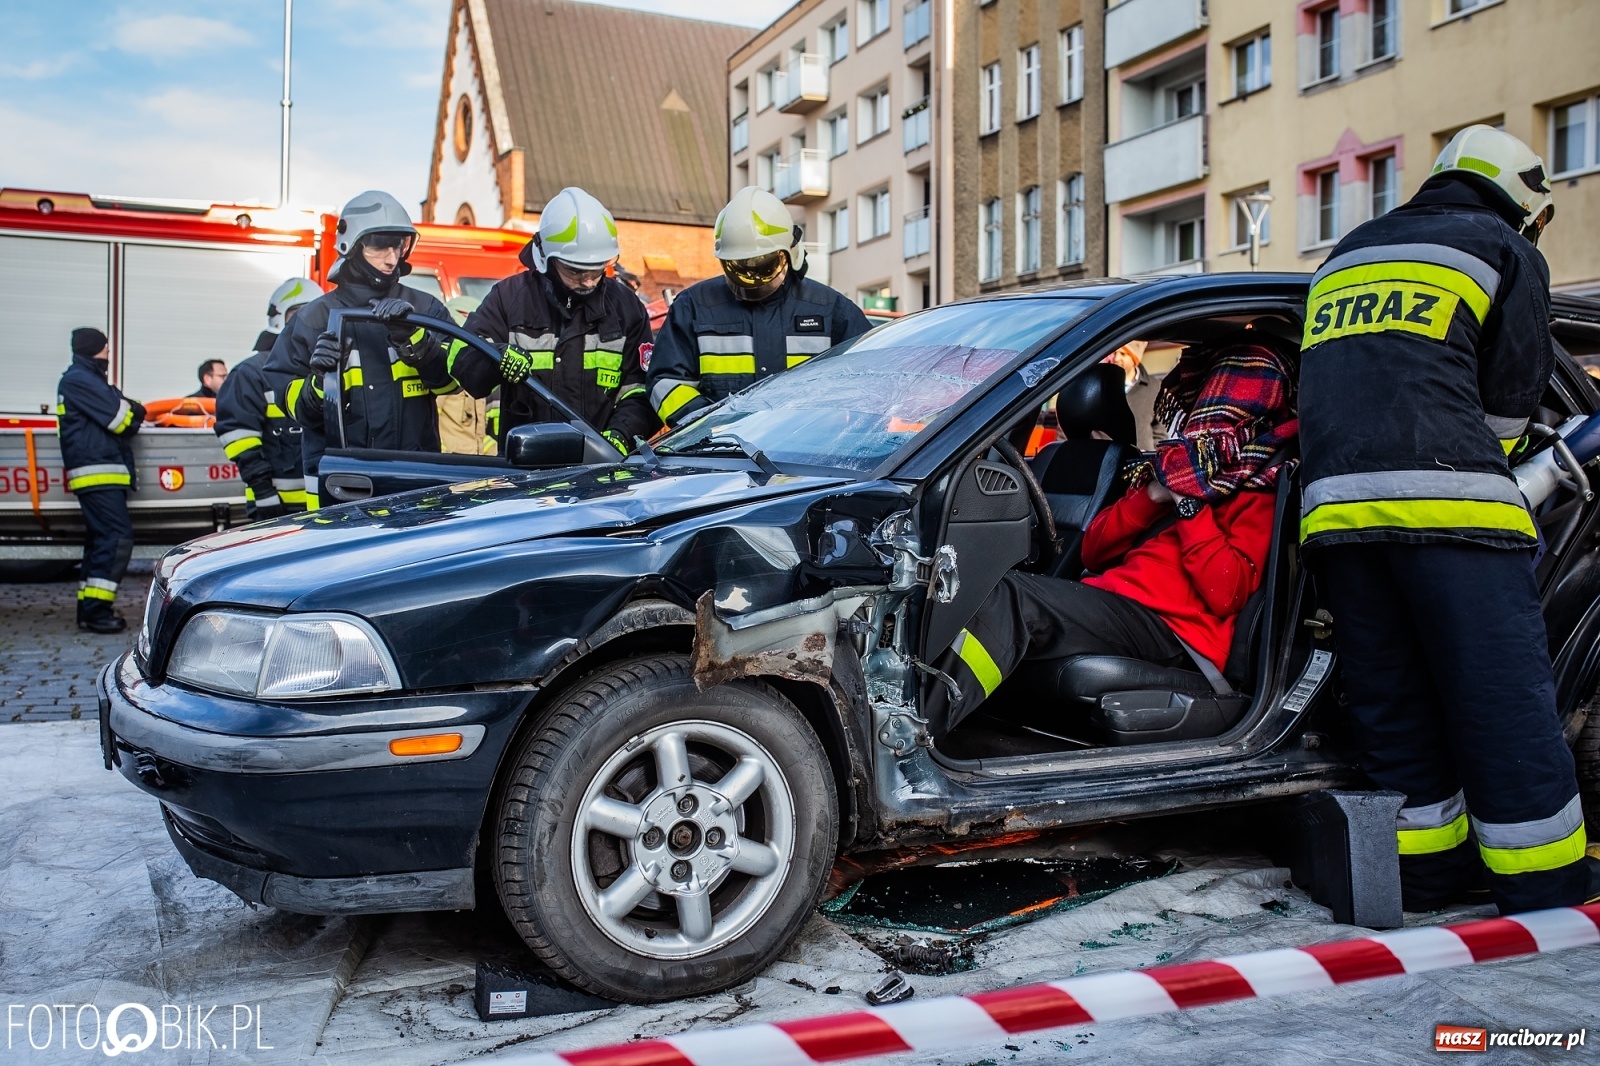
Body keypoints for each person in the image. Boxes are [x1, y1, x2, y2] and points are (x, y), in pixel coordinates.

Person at [1297, 125, 1598, 913]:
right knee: (1500, 703)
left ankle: (1426, 878)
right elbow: (1510, 401)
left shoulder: (1347, 254)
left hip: (1339, 524)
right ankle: (1545, 888)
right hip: (1455, 513)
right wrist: (1505, 459)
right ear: (1523, 196)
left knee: (1395, 706)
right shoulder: (1502, 248)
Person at [924, 333, 1297, 738]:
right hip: (1116, 602)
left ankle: (915, 732)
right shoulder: (1171, 469)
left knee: (1009, 598)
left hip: (1174, 631)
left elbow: (1228, 593)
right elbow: (1094, 550)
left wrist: (1189, 504)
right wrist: (1152, 497)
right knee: (974, 585)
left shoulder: (1259, 489)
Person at [265, 190, 454, 509]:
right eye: (380, 245)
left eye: (398, 246)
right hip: (340, 490)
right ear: (350, 245)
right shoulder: (314, 319)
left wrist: (416, 341)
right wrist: (318, 386)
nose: (392, 258)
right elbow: (288, 399)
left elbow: (453, 381)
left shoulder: (425, 309)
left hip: (415, 486)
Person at [448, 187, 655, 455]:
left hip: (602, 467)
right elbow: (461, 359)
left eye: (597, 269)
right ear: (546, 259)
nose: (589, 281)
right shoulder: (509, 298)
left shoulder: (625, 308)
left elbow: (641, 390)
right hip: (526, 467)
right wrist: (496, 357)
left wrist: (620, 436)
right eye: (575, 271)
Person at [646, 186, 870, 429]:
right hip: (720, 446)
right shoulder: (694, 306)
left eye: (764, 266)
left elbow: (872, 377)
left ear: (789, 252)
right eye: (739, 267)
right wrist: (708, 425)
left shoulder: (830, 309)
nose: (752, 276)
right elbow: (665, 383)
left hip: (809, 447)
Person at [56, 328, 145, 633]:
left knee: (100, 541)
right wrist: (135, 408)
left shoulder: (85, 378)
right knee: (116, 538)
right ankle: (97, 613)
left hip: (99, 472)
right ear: (96, 348)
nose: (108, 353)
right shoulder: (80, 379)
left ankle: (89, 610)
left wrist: (127, 405)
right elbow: (123, 421)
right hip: (98, 472)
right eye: (106, 348)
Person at [214, 277, 321, 518]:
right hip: (276, 505)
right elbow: (239, 439)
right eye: (298, 314)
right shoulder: (251, 373)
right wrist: (263, 493)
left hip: (325, 501)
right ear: (279, 318)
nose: (307, 323)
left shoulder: (325, 368)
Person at [437, 294, 490, 455]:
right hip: (450, 463)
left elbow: (477, 433)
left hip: (472, 462)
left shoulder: (473, 371)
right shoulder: (444, 366)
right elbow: (431, 423)